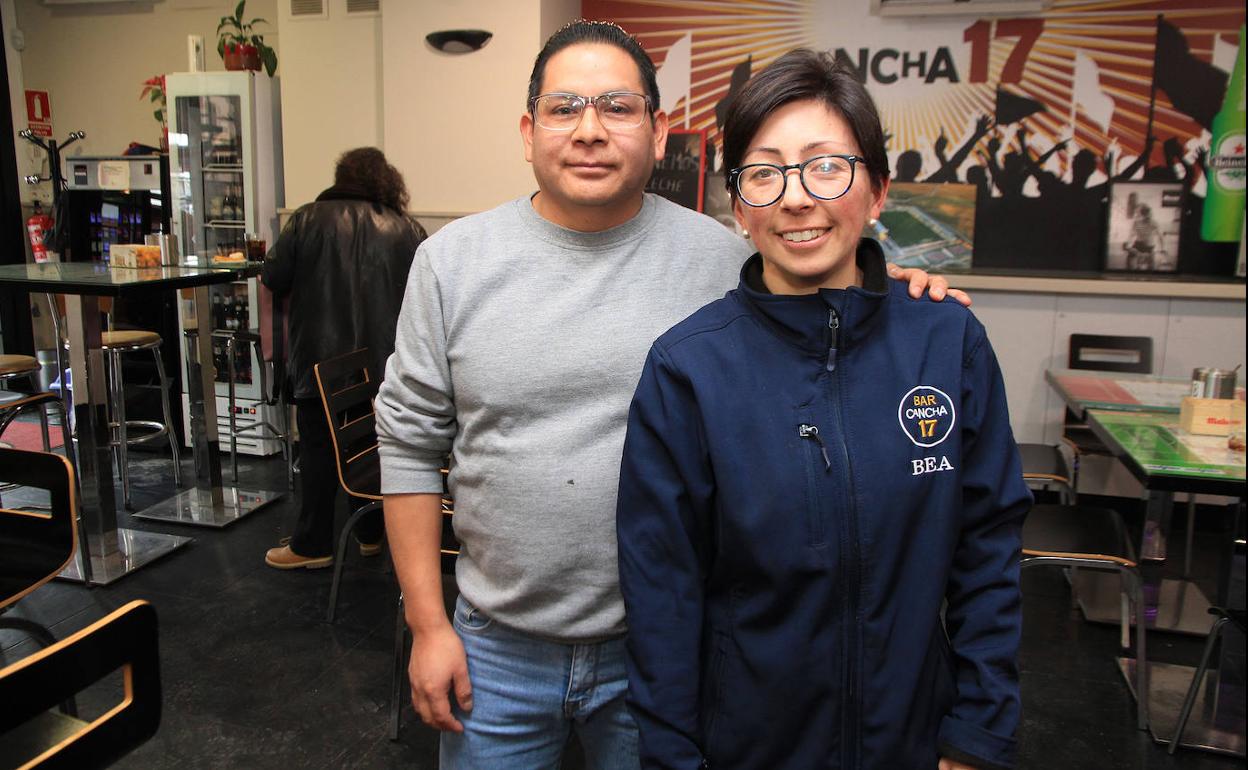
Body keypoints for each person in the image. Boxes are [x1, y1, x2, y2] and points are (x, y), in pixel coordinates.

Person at [375, 21, 970, 769]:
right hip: (497, 649)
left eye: (618, 107)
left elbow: (833, 303)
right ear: (528, 131)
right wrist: (428, 625)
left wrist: (908, 292)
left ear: (659, 132)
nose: (589, 130)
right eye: (564, 108)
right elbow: (407, 443)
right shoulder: (450, 263)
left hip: (675, 655)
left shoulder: (727, 259)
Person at [615, 49, 1031, 770]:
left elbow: (987, 552)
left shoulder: (945, 340)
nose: (796, 198)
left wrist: (976, 736)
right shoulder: (689, 368)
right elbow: (662, 591)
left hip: (914, 738)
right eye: (765, 172)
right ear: (739, 205)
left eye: (825, 165)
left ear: (876, 191)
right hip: (746, 746)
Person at [261, 147, 426, 569]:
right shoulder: (406, 228)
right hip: (384, 362)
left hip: (320, 358)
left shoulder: (306, 219)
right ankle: (369, 533)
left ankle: (313, 545)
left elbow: (273, 276)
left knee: (318, 450)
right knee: (371, 447)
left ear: (340, 176)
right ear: (385, 179)